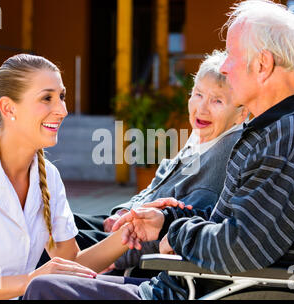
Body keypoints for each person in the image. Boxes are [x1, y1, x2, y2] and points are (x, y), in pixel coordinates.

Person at [23, 0, 294, 300]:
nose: (225, 68)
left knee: (44, 289)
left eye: (231, 55)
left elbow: (239, 247)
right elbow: (234, 229)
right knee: (44, 277)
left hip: (177, 295)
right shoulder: (284, 128)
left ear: (262, 64)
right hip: (178, 286)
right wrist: (166, 219)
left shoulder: (287, 136)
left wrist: (175, 232)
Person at [0, 54, 142, 300]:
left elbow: (70, 266)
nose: (63, 110)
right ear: (8, 108)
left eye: (62, 97)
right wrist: (27, 282)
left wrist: (131, 229)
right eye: (47, 98)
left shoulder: (49, 176)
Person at [71, 49, 248, 273]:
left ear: (242, 113)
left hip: (135, 248)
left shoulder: (224, 156)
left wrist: (116, 260)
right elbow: (155, 187)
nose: (201, 108)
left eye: (217, 101)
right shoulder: (202, 137)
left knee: (52, 246)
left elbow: (180, 228)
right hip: (126, 228)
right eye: (198, 94)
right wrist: (123, 211)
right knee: (59, 226)